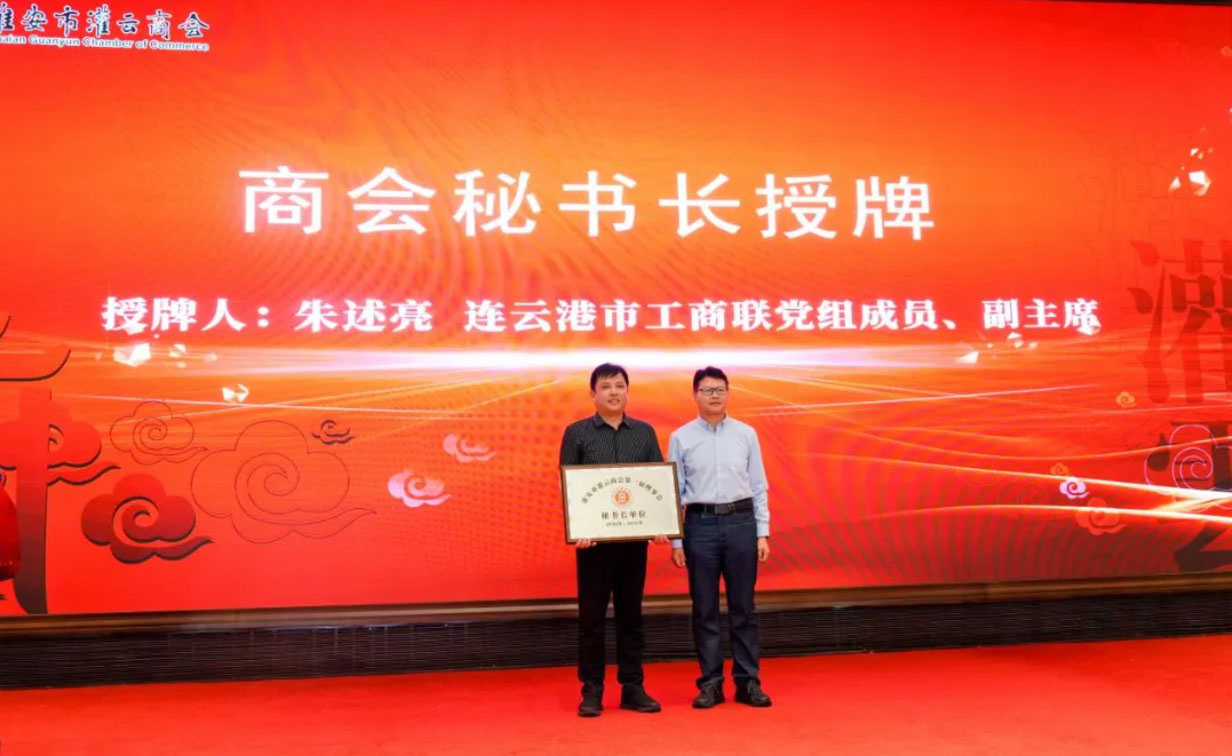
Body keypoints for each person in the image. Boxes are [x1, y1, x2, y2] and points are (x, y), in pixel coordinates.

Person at [559, 363, 667, 718]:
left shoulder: (644, 433)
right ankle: (592, 690)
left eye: (620, 385)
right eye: (606, 387)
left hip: (634, 542)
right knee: (591, 619)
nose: (614, 392)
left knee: (631, 616)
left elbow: (655, 482)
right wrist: (579, 528)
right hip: (593, 545)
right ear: (593, 394)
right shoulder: (577, 433)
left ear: (628, 391)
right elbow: (568, 486)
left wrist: (659, 523)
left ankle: (632, 687)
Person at [668, 366, 772, 708]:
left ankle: (747, 681)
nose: (714, 396)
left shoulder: (746, 434)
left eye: (720, 390)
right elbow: (674, 491)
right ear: (695, 395)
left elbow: (758, 485)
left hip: (741, 523)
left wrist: (762, 532)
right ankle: (711, 683)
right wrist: (677, 541)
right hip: (700, 525)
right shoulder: (681, 437)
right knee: (705, 608)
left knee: (744, 607)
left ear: (728, 393)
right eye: (707, 390)